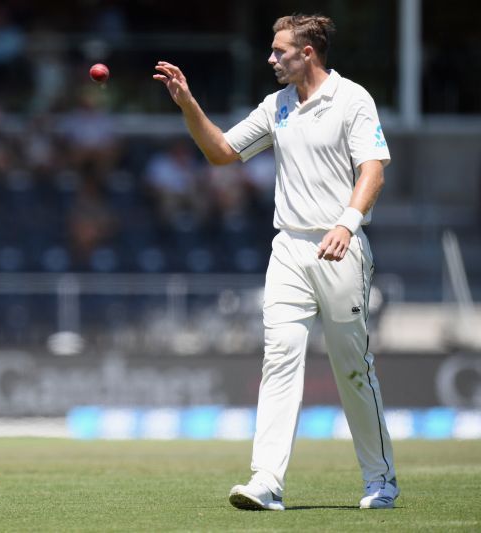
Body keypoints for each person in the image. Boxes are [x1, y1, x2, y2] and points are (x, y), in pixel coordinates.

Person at [154, 14, 398, 510]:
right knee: (280, 356)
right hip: (287, 247)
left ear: (307, 52)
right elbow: (222, 152)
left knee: (352, 367)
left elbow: (374, 168)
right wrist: (188, 104)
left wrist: (347, 224)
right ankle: (267, 480)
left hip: (341, 246)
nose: (270, 59)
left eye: (278, 51)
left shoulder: (352, 99)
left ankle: (381, 480)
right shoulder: (277, 105)